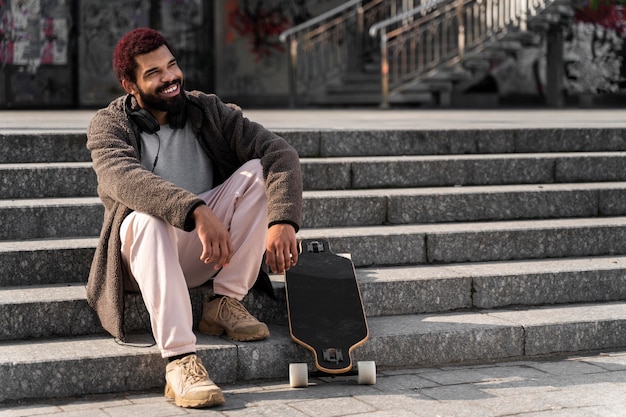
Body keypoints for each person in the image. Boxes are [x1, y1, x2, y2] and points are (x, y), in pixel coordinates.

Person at [86, 27, 302, 409]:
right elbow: (125, 179)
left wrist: (282, 220)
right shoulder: (109, 125)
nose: (170, 77)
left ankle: (224, 302)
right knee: (145, 218)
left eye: (172, 65)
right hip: (144, 258)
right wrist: (196, 210)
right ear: (129, 85)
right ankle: (180, 360)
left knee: (256, 171)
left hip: (205, 253)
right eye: (153, 73)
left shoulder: (208, 110)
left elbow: (279, 153)